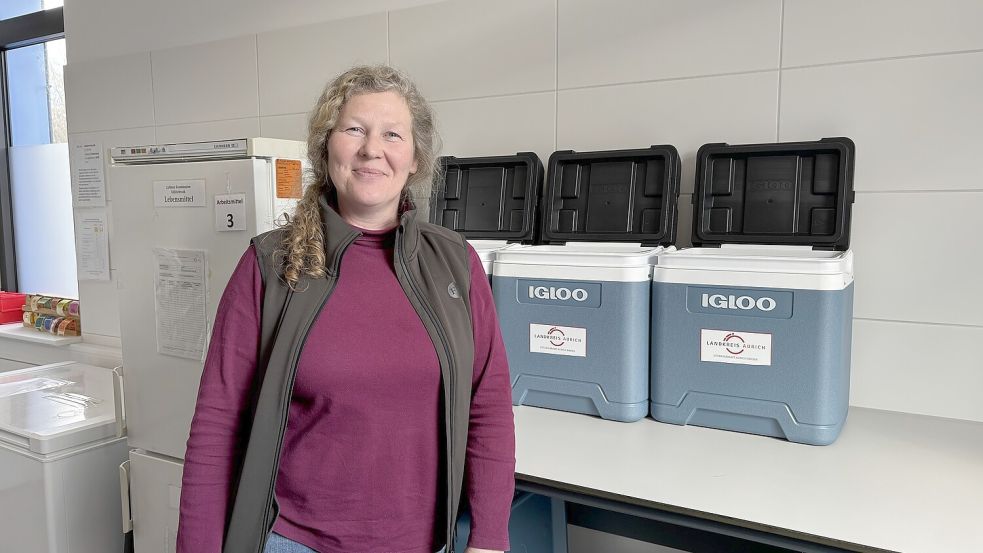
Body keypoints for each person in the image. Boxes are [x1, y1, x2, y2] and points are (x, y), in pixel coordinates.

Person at [176, 65, 516, 553]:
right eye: (354, 129)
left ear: (415, 157)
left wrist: (489, 539)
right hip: (294, 543)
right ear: (326, 147)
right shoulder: (270, 266)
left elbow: (489, 407)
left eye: (392, 134)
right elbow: (216, 424)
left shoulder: (455, 265)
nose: (371, 149)